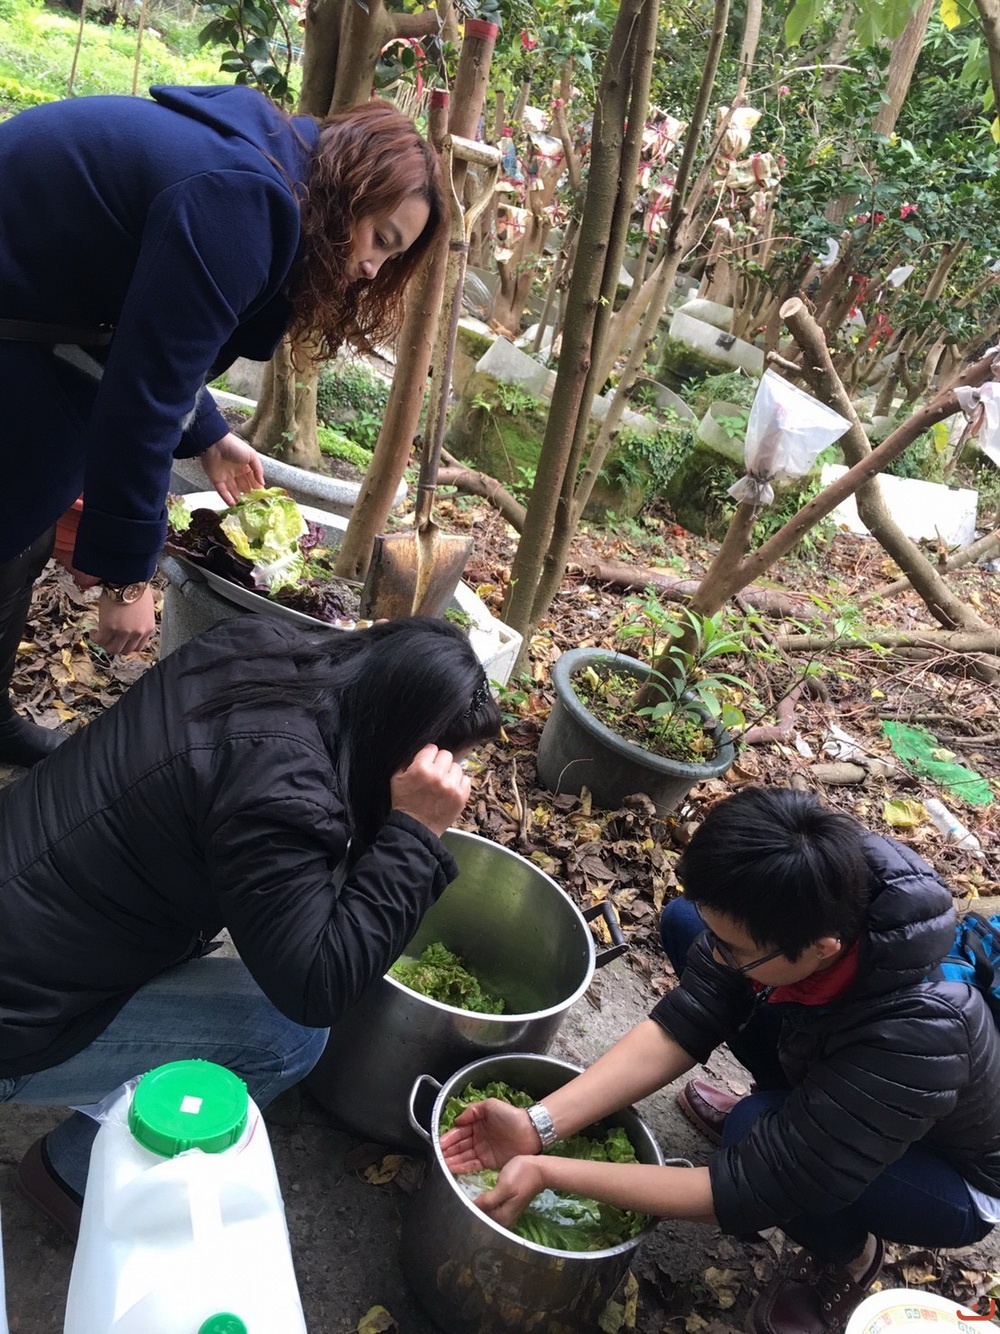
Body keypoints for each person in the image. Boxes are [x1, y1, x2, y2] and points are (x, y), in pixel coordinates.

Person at [0, 612, 500, 1240]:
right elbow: (316, 987)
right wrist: (415, 834)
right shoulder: (285, 796)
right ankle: (75, 1177)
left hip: (29, 894)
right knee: (285, 1035)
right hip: (15, 1019)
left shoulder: (254, 644)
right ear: (402, 746)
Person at [441, 786, 1000, 1334]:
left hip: (948, 1174)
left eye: (732, 948)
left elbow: (751, 1189)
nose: (717, 952)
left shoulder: (919, 1034)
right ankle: (798, 1117)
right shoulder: (814, 881)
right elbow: (687, 1019)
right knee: (685, 923)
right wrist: (538, 1126)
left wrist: (549, 1171)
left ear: (823, 949)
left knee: (752, 1129)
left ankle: (850, 1255)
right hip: (842, 1056)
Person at [0, 87, 444, 765]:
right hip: (19, 300)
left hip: (33, 303)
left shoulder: (271, 174)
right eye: (380, 239)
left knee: (26, 509)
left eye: (391, 257)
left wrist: (208, 432)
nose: (370, 269)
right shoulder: (243, 202)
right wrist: (126, 579)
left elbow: (159, 336)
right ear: (353, 186)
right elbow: (144, 395)